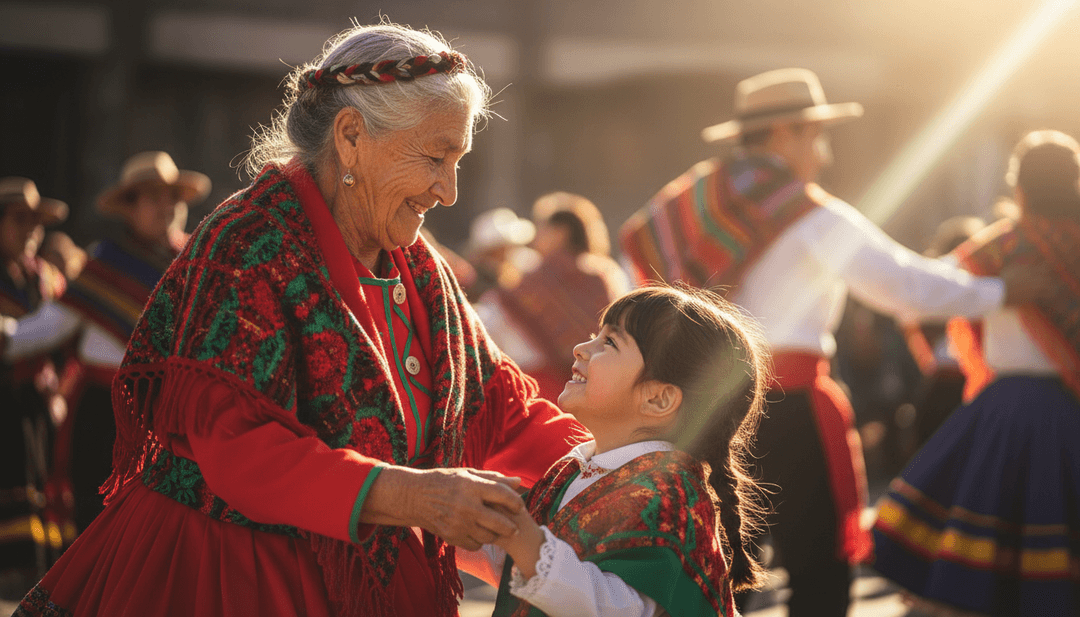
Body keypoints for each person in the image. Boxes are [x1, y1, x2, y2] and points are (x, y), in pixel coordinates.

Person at [14, 22, 582, 617]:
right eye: (436, 157)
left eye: (459, 159)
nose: (450, 190)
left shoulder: (419, 268)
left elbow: (501, 411)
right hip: (226, 581)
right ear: (351, 135)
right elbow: (238, 444)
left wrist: (625, 471)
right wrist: (406, 496)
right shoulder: (247, 243)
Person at [619, 68, 1047, 616]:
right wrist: (1002, 289)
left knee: (717, 562)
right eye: (815, 136)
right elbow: (906, 287)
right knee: (818, 568)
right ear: (785, 134)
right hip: (787, 405)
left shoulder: (694, 203)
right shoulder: (806, 213)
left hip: (704, 408)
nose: (822, 154)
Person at [872, 129, 1080, 617]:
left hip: (1001, 417)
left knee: (983, 556)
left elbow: (926, 296)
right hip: (1072, 410)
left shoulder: (1001, 248)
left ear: (1020, 192)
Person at [482, 285, 769, 617]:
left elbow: (618, 609)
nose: (580, 348)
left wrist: (520, 535)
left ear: (657, 399)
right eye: (595, 334)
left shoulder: (665, 496)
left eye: (610, 343)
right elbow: (531, 561)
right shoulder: (574, 469)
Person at [3, 151, 211, 535]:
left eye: (173, 198)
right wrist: (7, 334)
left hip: (171, 416)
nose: (167, 207)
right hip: (105, 415)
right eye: (154, 197)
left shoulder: (195, 265)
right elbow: (47, 328)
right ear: (129, 209)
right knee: (97, 520)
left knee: (160, 526)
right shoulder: (105, 267)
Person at [477, 192, 629, 400]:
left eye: (542, 229)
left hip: (543, 388)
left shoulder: (541, 276)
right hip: (596, 385)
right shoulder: (604, 274)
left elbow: (496, 314)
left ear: (561, 232)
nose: (536, 237)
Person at [0, 177, 68, 593]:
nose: (30, 232)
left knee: (37, 476)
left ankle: (34, 569)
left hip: (38, 401)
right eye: (19, 220)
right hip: (3, 398)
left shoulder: (49, 280)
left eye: (36, 223)